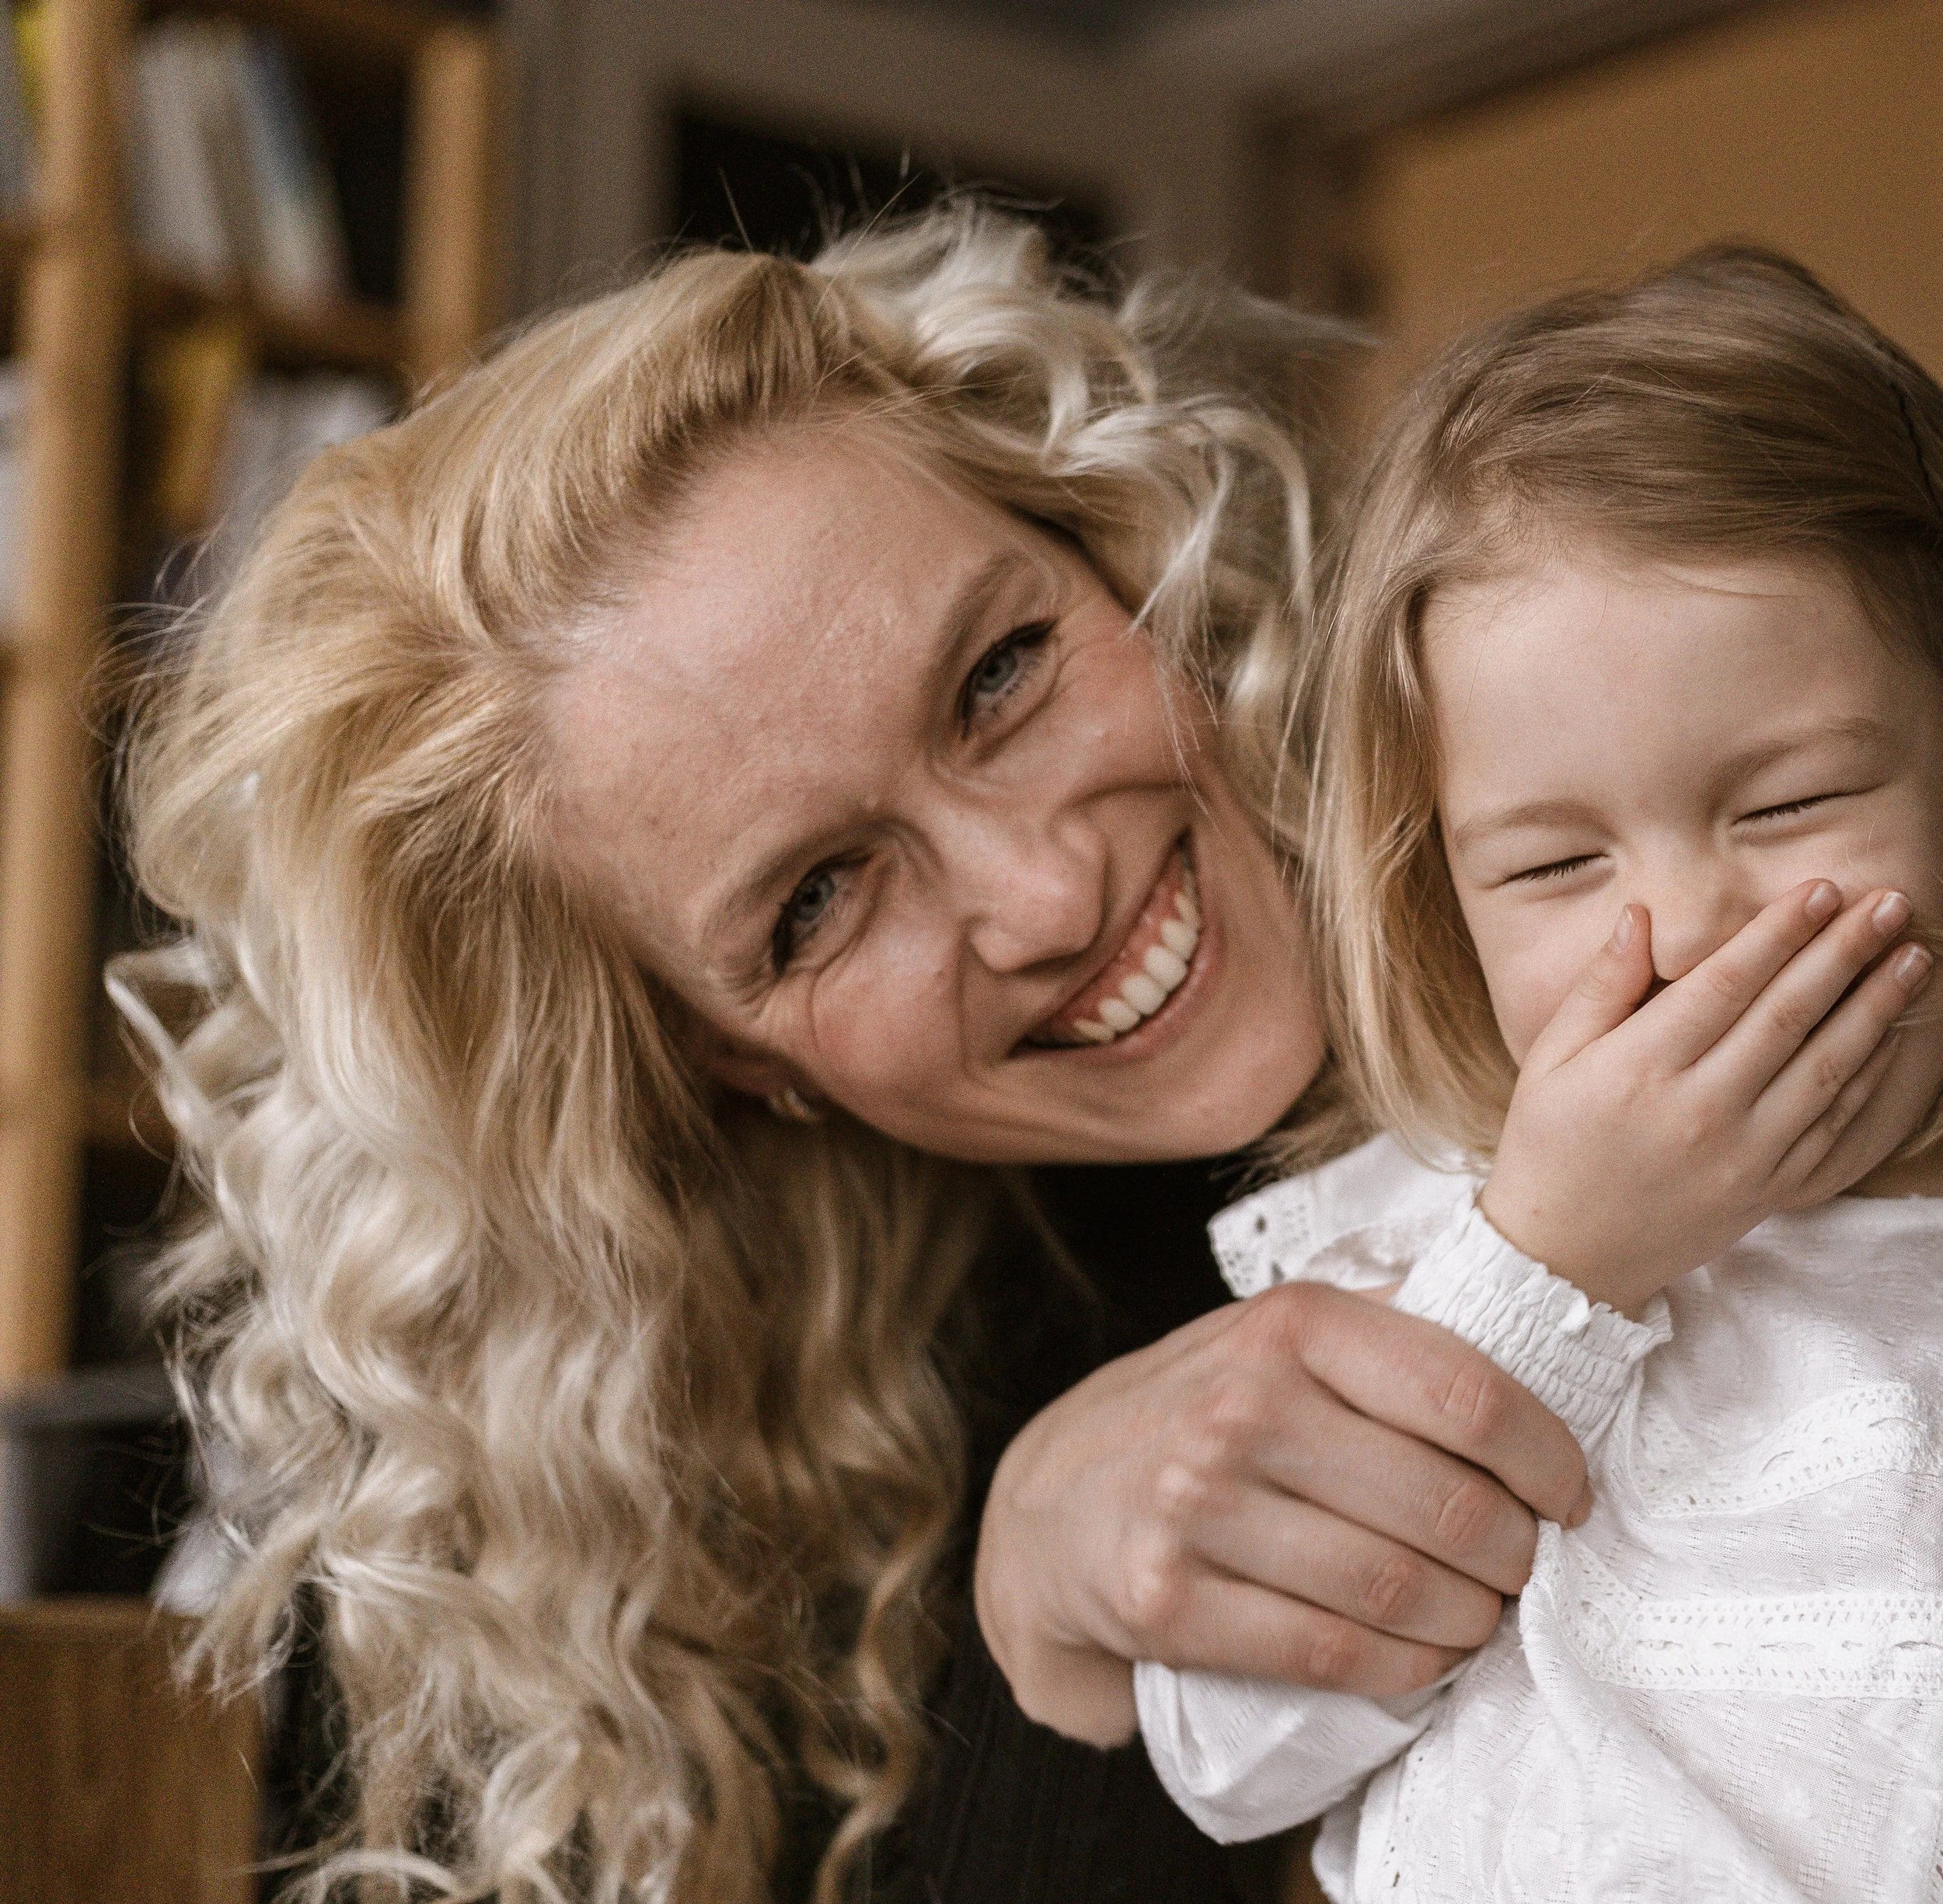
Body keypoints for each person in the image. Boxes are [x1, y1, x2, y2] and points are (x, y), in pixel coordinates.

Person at [108, 211, 1907, 1904]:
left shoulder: (1649, 830)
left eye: (998, 675)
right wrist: (1045, 1638)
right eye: (814, 901)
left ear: (1117, 541)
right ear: (718, 1063)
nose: (1041, 890)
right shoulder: (641, 1496)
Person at [1136, 248, 1943, 1902]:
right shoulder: (1422, 1252)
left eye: (1786, 804)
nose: (1678, 929)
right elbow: (1224, 1752)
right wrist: (1545, 1270)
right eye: (1553, 864)